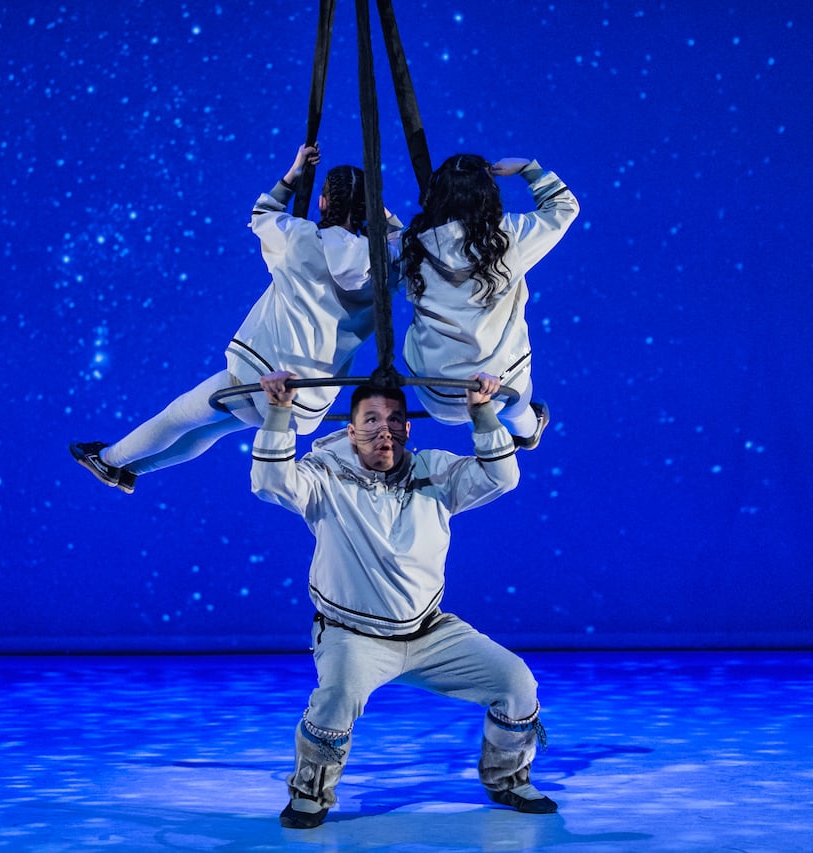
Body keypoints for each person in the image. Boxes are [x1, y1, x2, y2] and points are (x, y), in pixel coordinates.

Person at [251, 369, 556, 828]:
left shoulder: (435, 471)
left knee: (517, 683)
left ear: (407, 429)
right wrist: (278, 414)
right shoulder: (323, 478)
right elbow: (270, 483)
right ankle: (310, 791)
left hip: (430, 632)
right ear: (350, 430)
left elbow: (502, 477)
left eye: (394, 419)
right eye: (370, 420)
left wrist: (482, 413)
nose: (384, 429)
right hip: (353, 637)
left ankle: (507, 779)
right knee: (335, 700)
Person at [70, 141, 403, 493]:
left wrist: (293, 174)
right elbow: (404, 241)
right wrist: (379, 213)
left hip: (262, 374)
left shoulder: (299, 238)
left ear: (322, 202)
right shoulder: (383, 262)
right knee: (213, 427)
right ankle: (132, 469)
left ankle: (108, 459)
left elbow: (262, 213)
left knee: (182, 414)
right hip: (309, 401)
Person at [400, 154, 579, 449]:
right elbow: (564, 208)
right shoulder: (508, 237)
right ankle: (527, 431)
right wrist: (529, 170)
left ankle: (522, 425)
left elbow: (385, 259)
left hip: (436, 392)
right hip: (498, 389)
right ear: (487, 194)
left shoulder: (413, 245)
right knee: (519, 399)